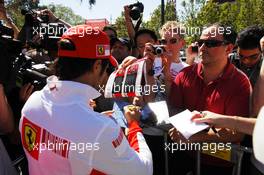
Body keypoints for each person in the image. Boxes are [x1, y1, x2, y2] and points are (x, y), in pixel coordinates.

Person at [19, 25, 153, 175]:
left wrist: (93, 117)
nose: (106, 74)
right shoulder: (101, 129)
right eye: (107, 67)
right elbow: (144, 170)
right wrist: (133, 125)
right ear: (97, 66)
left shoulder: (32, 102)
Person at [168, 23, 251, 175]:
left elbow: (237, 132)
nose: (202, 48)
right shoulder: (184, 75)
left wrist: (195, 136)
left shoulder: (240, 83)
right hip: (182, 156)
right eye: (200, 43)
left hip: (219, 165)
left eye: (211, 43)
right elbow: (173, 109)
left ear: (228, 48)